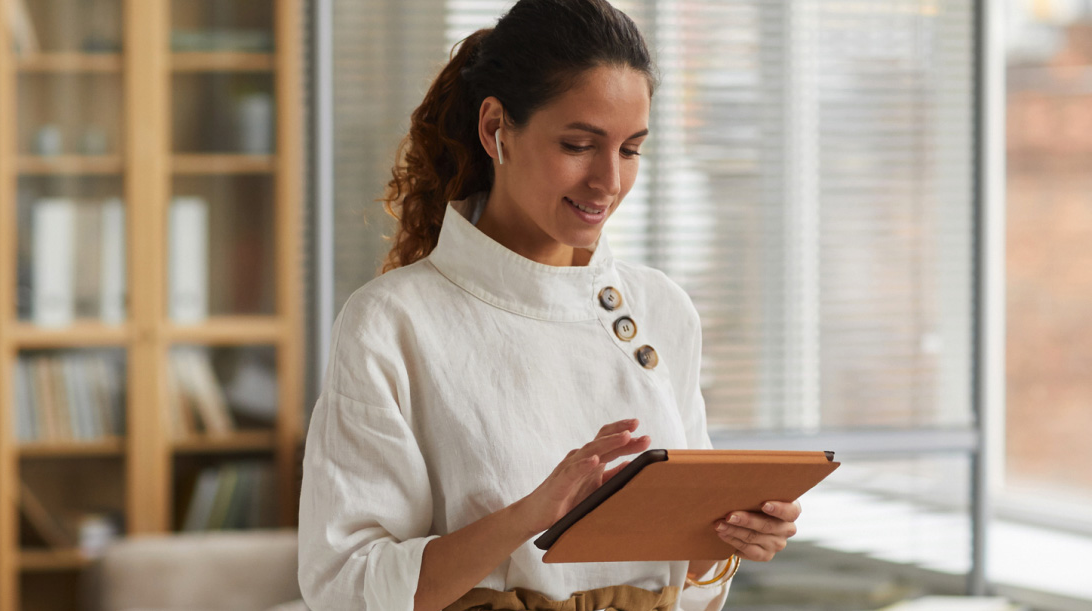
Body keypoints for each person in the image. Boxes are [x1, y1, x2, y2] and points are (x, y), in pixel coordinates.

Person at [296, 1, 805, 610]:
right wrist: (531, 516)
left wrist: (719, 544)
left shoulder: (662, 310)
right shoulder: (393, 323)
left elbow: (683, 590)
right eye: (579, 144)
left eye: (630, 150)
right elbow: (344, 587)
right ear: (495, 130)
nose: (608, 183)